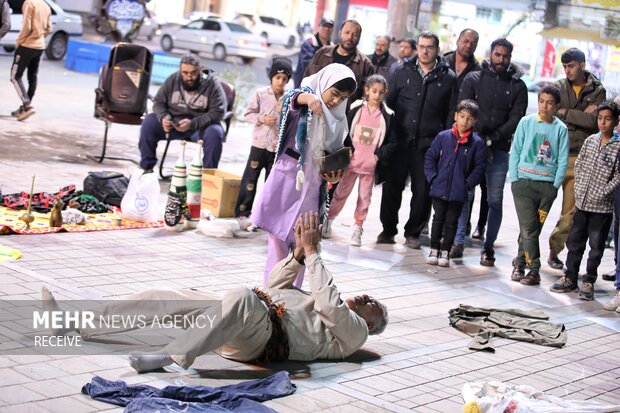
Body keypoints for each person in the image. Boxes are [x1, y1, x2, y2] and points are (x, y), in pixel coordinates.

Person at [40, 212, 389, 373]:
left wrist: (313, 255)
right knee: (169, 297)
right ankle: (74, 325)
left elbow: (330, 302)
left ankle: (171, 358)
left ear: (370, 325)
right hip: (247, 319)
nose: (365, 299)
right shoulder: (319, 300)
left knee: (240, 295)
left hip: (260, 341)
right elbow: (274, 285)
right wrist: (298, 255)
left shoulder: (353, 335)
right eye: (369, 295)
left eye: (372, 305)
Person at [251, 64, 356, 288]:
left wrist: (333, 178)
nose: (336, 101)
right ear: (324, 85)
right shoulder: (304, 101)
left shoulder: (339, 122)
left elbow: (335, 158)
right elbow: (291, 99)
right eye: (334, 93)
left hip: (312, 190)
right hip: (287, 181)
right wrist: (309, 99)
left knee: (302, 246)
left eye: (342, 98)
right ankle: (271, 297)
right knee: (278, 244)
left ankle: (292, 299)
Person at [377, 30, 457, 248]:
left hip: (429, 144)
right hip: (400, 140)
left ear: (437, 49)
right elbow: (388, 104)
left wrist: (446, 143)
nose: (424, 51)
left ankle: (413, 232)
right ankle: (388, 229)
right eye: (421, 46)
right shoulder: (401, 71)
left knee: (422, 191)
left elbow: (451, 113)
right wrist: (387, 136)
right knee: (392, 186)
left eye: (429, 47)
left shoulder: (448, 78)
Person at [458, 38, 528, 266]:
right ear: (490, 54)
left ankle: (488, 247)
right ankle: (458, 239)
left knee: (495, 199)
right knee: (465, 193)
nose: (501, 60)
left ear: (510, 57)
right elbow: (464, 109)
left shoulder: (518, 86)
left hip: (499, 149)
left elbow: (516, 118)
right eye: (497, 55)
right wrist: (479, 138)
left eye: (505, 56)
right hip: (471, 145)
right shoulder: (474, 78)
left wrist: (494, 137)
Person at [550, 101, 620, 300]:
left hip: (602, 208)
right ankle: (570, 277)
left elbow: (618, 176)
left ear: (616, 121)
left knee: (596, 247)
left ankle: (588, 280)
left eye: (608, 119)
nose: (603, 123)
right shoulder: (590, 141)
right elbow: (579, 166)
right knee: (575, 242)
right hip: (582, 204)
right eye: (600, 118)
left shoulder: (618, 146)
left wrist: (604, 191)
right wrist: (580, 190)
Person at [546, 48, 607, 271]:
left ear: (582, 65)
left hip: (579, 158)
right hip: (554, 154)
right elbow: (550, 113)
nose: (567, 70)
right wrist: (578, 114)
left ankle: (554, 251)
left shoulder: (598, 90)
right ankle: (526, 253)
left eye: (571, 66)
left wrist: (565, 112)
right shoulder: (559, 87)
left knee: (569, 213)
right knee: (540, 207)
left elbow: (594, 122)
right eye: (564, 67)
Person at [322, 74, 396, 246]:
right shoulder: (356, 108)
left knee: (364, 198)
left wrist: (377, 156)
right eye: (374, 91)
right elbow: (345, 129)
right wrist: (347, 150)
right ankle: (328, 221)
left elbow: (392, 141)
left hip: (369, 166)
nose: (377, 95)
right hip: (351, 163)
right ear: (367, 90)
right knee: (340, 193)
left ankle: (358, 228)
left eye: (381, 92)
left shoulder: (387, 114)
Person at [508, 85, 569, 286]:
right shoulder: (526, 122)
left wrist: (555, 186)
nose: (544, 106)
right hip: (524, 185)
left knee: (531, 229)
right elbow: (515, 150)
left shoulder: (560, 129)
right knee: (529, 229)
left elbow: (562, 159)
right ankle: (534, 270)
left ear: (557, 106)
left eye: (550, 102)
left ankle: (519, 263)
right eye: (542, 101)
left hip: (546, 188)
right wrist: (516, 179)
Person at [424, 99, 486, 267]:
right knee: (437, 219)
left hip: (459, 192)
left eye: (469, 118)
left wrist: (467, 184)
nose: (464, 121)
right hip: (439, 187)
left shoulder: (477, 143)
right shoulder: (443, 137)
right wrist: (433, 178)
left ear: (474, 121)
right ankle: (434, 248)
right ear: (456, 116)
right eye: (462, 116)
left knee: (452, 221)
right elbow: (430, 157)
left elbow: (479, 168)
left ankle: (445, 250)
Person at [138, 54, 226, 172]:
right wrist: (164, 117)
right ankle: (146, 168)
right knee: (149, 122)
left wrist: (192, 123)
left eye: (193, 73)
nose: (189, 77)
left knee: (215, 132)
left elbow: (218, 111)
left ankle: (208, 177)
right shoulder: (173, 79)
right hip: (173, 125)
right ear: (180, 71)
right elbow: (158, 103)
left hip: (199, 127)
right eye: (184, 73)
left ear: (200, 70)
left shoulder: (212, 83)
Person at [442, 28, 485, 259]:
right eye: (465, 40)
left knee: (464, 189)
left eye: (473, 42)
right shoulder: (444, 62)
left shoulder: (478, 72)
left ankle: (459, 235)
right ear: (458, 41)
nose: (468, 45)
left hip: (467, 137)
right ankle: (437, 228)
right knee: (440, 184)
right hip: (444, 132)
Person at [234, 58, 293, 222]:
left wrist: (283, 113)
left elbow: (292, 121)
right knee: (250, 179)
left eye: (284, 79)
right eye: (277, 78)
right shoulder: (261, 93)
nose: (280, 82)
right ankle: (242, 213)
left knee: (271, 184)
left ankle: (264, 217)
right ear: (271, 77)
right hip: (259, 145)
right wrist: (262, 118)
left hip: (276, 148)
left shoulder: (289, 98)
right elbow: (248, 114)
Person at [304, 19, 375, 105]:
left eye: (355, 34)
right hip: (314, 109)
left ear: (359, 38)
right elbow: (306, 80)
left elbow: (366, 99)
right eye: (347, 32)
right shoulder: (321, 53)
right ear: (340, 33)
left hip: (344, 116)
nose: (350, 37)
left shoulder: (365, 65)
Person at [10, 0, 51, 121]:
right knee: (32, 77)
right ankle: (25, 107)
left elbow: (26, 27)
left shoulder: (29, 3)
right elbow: (48, 28)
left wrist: (19, 42)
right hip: (40, 47)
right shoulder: (46, 5)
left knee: (15, 76)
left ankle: (27, 106)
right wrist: (39, 39)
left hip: (27, 46)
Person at [293, 17, 334, 88]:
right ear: (318, 27)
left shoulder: (332, 47)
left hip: (320, 87)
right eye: (324, 26)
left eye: (330, 27)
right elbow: (308, 66)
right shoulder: (308, 44)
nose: (327, 29)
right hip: (302, 85)